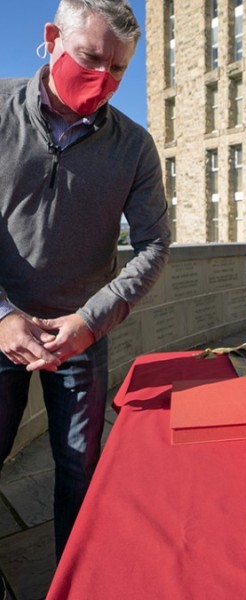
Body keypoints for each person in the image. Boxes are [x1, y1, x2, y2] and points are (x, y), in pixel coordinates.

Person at [0, 0, 170, 560]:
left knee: (81, 467)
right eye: (89, 57)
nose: (102, 79)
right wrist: (2, 315)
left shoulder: (134, 146)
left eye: (118, 68)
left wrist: (90, 322)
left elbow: (153, 244)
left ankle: (74, 578)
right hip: (1, 327)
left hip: (81, 334)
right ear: (51, 38)